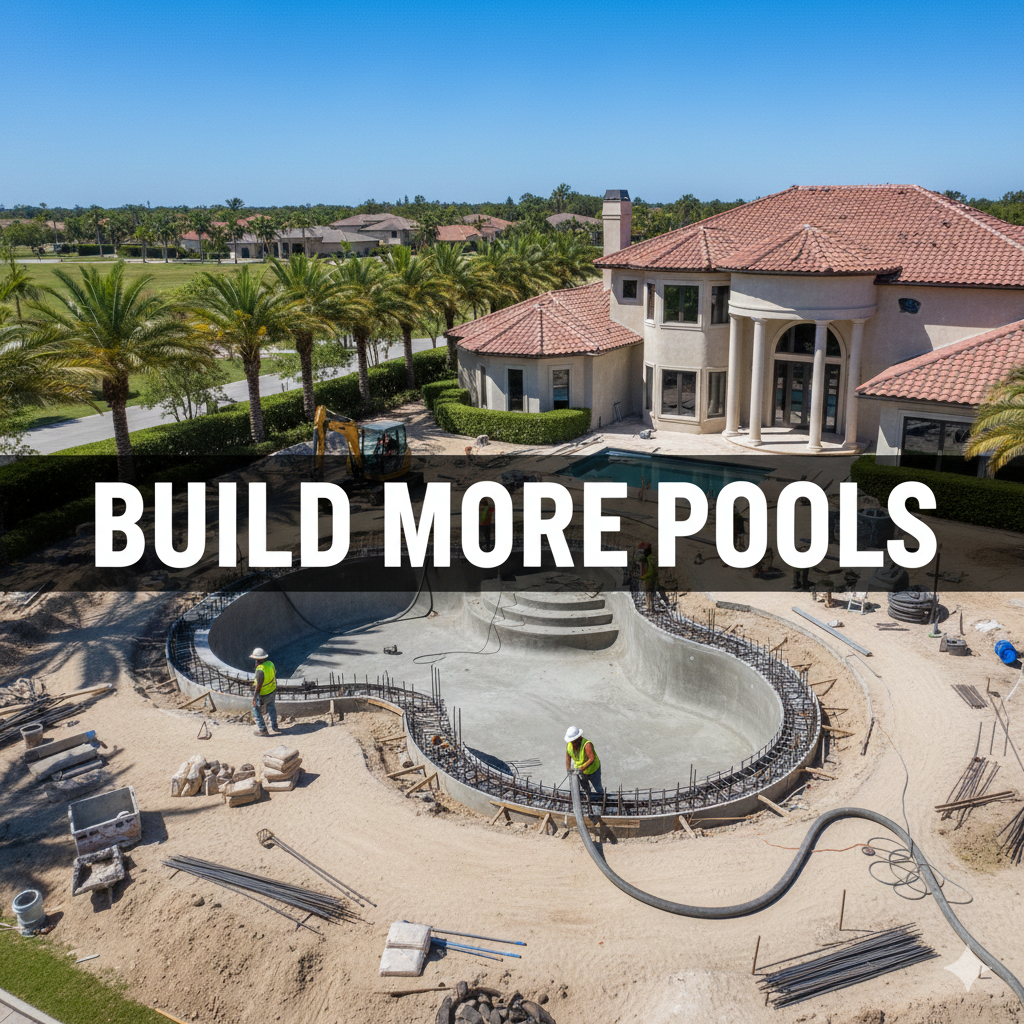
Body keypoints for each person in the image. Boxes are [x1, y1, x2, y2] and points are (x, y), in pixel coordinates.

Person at [565, 726, 603, 805]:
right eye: (572, 742)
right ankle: (589, 798)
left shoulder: (587, 745)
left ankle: (602, 800)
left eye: (574, 741)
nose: (573, 743)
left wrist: (582, 768)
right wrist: (568, 771)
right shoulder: (569, 746)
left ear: (578, 738)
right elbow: (568, 758)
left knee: (598, 787)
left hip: (593, 770)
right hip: (581, 771)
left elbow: (591, 758)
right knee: (585, 787)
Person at [250, 647, 279, 737]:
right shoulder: (270, 664)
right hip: (272, 690)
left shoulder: (260, 670)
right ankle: (275, 726)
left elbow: (259, 685)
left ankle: (263, 729)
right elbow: (274, 674)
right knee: (271, 707)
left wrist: (255, 697)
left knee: (256, 710)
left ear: (257, 659)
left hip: (263, 693)